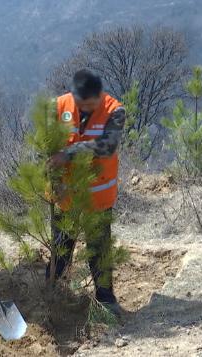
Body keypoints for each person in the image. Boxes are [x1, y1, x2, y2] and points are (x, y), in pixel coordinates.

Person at [48, 69, 126, 316]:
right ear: (74, 95)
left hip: (98, 196)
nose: (87, 109)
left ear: (100, 95)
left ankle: (105, 299)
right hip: (66, 196)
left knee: (99, 249)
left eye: (92, 105)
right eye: (82, 105)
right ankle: (54, 295)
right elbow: (46, 148)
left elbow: (107, 146)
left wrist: (69, 153)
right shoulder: (57, 107)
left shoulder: (115, 110)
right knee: (61, 248)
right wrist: (54, 181)